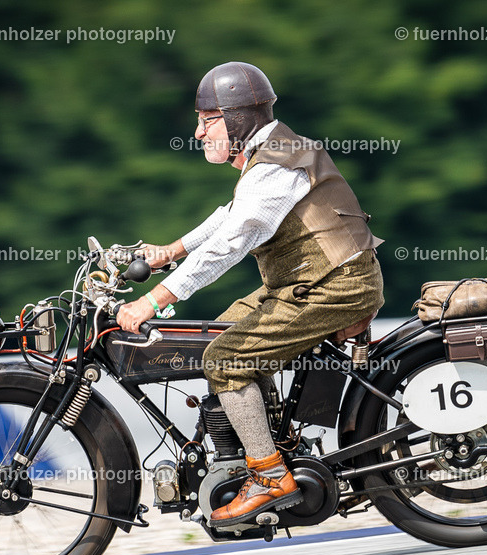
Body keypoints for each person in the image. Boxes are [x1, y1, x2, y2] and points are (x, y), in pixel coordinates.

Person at [117, 62, 384, 527]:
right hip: (307, 283)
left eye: (208, 119)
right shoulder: (272, 153)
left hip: (335, 287)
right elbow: (230, 215)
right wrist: (169, 251)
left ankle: (268, 476)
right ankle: (274, 449)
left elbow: (233, 240)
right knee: (215, 335)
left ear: (238, 118)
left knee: (225, 359)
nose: (198, 132)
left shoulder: (278, 163)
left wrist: (154, 299)